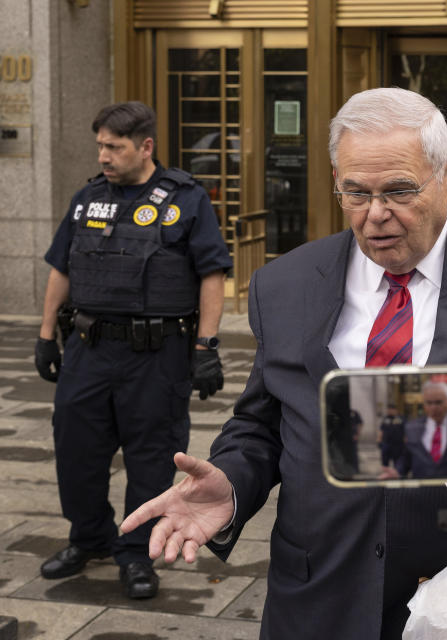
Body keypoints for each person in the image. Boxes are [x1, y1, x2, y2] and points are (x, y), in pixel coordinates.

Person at [120, 87, 447, 638]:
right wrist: (233, 483)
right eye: (354, 192)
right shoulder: (282, 285)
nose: (375, 215)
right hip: (318, 593)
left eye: (399, 191)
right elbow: (263, 423)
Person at [33, 101, 231, 600]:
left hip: (157, 354)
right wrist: (42, 334)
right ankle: (89, 537)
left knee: (150, 457)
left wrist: (207, 346)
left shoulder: (186, 199)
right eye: (100, 145)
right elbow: (62, 268)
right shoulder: (87, 198)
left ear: (145, 146)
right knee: (76, 450)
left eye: (114, 146)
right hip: (88, 348)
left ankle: (135, 553)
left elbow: (212, 274)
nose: (104, 155)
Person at [398, 381, 447, 478]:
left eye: (438, 402)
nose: (433, 407)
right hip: (422, 488)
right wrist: (397, 472)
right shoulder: (412, 427)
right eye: (429, 403)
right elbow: (406, 459)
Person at [377, 404, 407, 470]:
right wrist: (379, 440)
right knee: (385, 462)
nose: (389, 411)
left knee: (397, 462)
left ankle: (396, 474)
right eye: (388, 409)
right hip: (386, 443)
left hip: (398, 445)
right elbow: (381, 430)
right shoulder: (385, 419)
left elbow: (405, 432)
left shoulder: (401, 419)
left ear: (395, 410)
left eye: (391, 409)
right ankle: (386, 474)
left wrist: (405, 443)